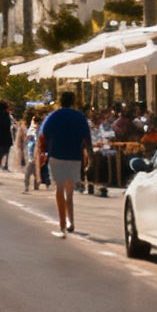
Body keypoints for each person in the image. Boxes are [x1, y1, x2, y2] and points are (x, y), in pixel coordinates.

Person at [39, 91, 93, 235]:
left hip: (56, 155)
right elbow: (87, 139)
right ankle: (71, 222)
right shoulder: (79, 117)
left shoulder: (52, 117)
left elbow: (44, 135)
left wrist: (46, 151)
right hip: (74, 157)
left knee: (59, 188)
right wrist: (90, 158)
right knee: (70, 192)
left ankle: (62, 222)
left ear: (60, 101)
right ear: (73, 101)